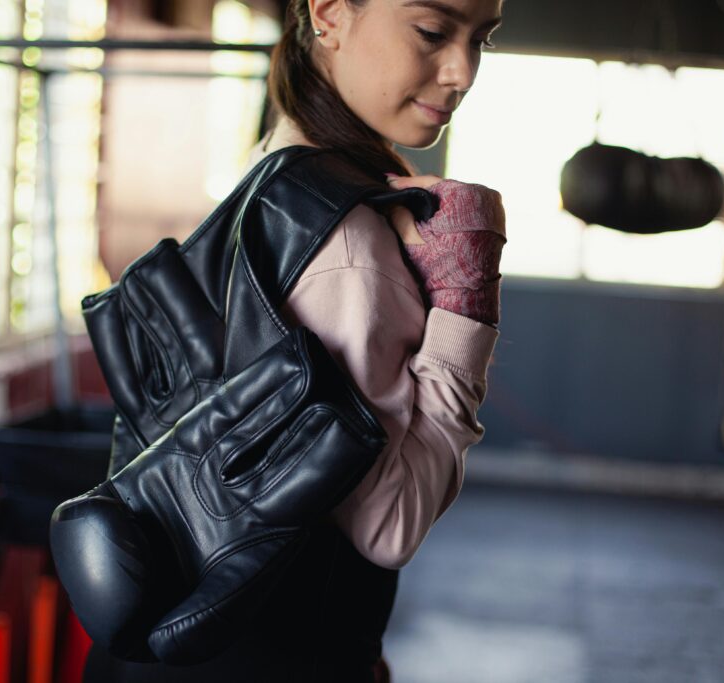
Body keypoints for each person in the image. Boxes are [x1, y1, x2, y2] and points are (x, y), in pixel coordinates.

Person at [83, 0, 506, 680]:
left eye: (481, 38)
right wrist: (467, 308)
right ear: (331, 14)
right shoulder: (354, 240)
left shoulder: (268, 168)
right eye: (432, 31)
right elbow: (389, 524)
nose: (461, 71)